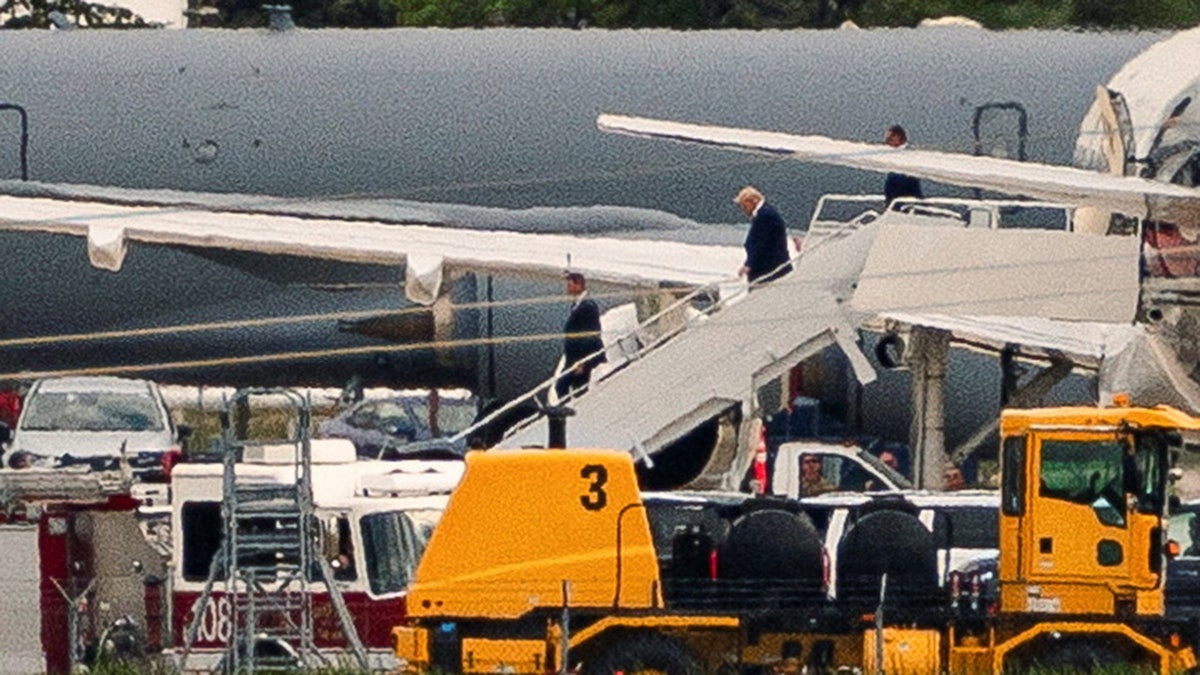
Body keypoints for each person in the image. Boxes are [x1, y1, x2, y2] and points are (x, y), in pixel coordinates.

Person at [555, 272, 606, 399]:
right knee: (566, 386)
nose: (567, 289)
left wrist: (582, 362)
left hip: (581, 358)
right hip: (574, 358)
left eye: (570, 285)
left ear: (578, 286)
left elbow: (590, 336)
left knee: (566, 386)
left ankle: (574, 413)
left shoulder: (587, 307)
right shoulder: (578, 304)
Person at [733, 186, 793, 284]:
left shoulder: (765, 215)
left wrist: (749, 264)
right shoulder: (765, 213)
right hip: (768, 268)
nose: (743, 210)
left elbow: (761, 243)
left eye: (744, 206)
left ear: (752, 201)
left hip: (769, 270)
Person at [883, 125, 924, 205]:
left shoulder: (909, 154)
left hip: (904, 197)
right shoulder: (891, 154)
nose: (887, 141)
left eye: (890, 138)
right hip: (894, 198)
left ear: (898, 137)